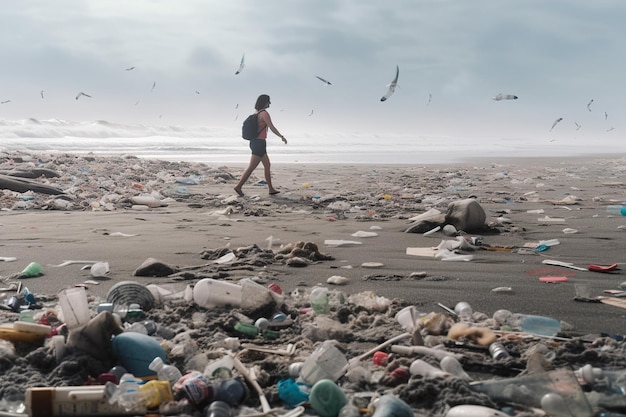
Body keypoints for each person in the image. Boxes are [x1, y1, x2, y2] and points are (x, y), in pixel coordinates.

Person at [234, 94, 287, 197]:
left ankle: (271, 189)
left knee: (267, 165)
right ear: (265, 102)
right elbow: (271, 127)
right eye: (269, 101)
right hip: (259, 143)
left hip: (256, 142)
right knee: (251, 167)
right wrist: (281, 136)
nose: (270, 103)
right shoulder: (264, 114)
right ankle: (238, 186)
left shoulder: (256, 113)